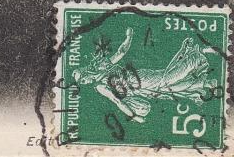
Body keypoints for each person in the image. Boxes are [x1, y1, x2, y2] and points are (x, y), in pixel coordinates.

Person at [72, 27, 219, 123]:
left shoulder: (101, 74)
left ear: (86, 73)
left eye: (83, 79)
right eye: (82, 82)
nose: (84, 82)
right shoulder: (99, 83)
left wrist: (129, 37)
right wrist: (134, 115)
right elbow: (118, 100)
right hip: (140, 88)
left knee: (168, 80)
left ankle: (198, 54)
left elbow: (121, 53)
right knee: (169, 88)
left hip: (140, 79)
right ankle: (203, 83)